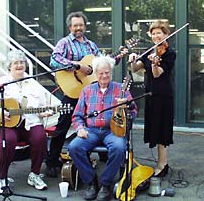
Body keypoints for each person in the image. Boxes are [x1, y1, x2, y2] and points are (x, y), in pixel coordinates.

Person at [46, 11, 126, 178]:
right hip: (72, 91)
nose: (78, 28)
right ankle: (52, 161)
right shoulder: (65, 42)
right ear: (70, 27)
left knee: (99, 120)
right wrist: (77, 66)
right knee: (62, 126)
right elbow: (54, 60)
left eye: (81, 25)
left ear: (85, 26)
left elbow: (102, 65)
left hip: (91, 93)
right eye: (75, 25)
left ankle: (105, 155)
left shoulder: (91, 45)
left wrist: (117, 57)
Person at [0, 50, 53, 193]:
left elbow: (41, 107)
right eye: (15, 63)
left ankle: (34, 174)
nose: (19, 65)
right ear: (9, 66)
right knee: (8, 140)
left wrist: (44, 112)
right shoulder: (1, 82)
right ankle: (2, 176)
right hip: (6, 124)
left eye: (21, 62)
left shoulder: (34, 84)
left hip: (29, 122)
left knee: (40, 137)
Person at [68, 55, 138, 201]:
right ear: (96, 73)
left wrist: (127, 107)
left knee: (119, 148)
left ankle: (105, 184)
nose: (104, 75)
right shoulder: (87, 90)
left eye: (107, 72)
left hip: (113, 131)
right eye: (101, 73)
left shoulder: (121, 89)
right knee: (74, 147)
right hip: (91, 131)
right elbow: (77, 116)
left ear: (111, 73)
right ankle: (91, 182)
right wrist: (80, 128)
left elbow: (134, 111)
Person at [128, 20, 176, 177]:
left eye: (159, 33)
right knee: (154, 129)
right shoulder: (151, 51)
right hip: (150, 95)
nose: (156, 36)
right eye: (153, 33)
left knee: (162, 130)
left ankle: (163, 164)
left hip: (163, 96)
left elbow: (157, 74)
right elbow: (136, 69)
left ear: (166, 34)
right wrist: (133, 59)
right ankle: (161, 163)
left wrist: (155, 63)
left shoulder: (169, 53)